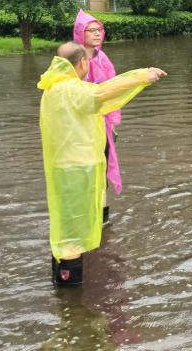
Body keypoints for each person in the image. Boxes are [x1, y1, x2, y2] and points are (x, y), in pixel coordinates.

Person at [38, 41, 166, 286]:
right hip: (78, 169)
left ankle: (64, 296)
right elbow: (103, 93)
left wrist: (140, 76)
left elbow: (99, 92)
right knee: (75, 229)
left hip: (60, 168)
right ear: (82, 62)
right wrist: (142, 77)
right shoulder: (73, 91)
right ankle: (70, 289)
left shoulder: (52, 88)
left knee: (65, 223)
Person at [73, 9, 121, 225]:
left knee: (102, 166)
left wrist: (111, 124)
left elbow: (113, 87)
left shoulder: (102, 57)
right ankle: (86, 213)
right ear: (80, 33)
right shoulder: (75, 60)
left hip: (102, 125)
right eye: (91, 30)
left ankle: (102, 216)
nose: (97, 34)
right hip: (83, 127)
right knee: (87, 170)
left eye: (99, 29)